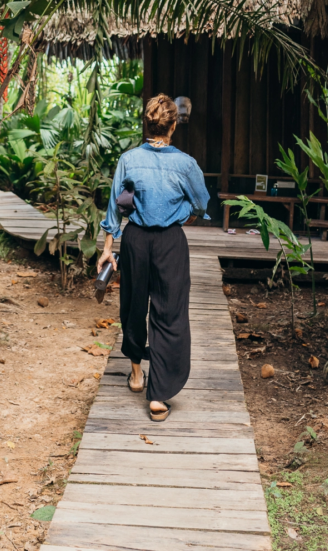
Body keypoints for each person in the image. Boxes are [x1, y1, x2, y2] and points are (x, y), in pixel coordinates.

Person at [97, 93, 210, 421]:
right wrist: (182, 211)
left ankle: (136, 374)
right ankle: (158, 396)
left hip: (135, 241)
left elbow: (116, 207)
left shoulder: (129, 160)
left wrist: (107, 249)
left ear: (146, 125)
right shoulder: (186, 164)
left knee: (134, 305)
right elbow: (202, 204)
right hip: (170, 244)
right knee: (169, 313)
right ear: (173, 126)